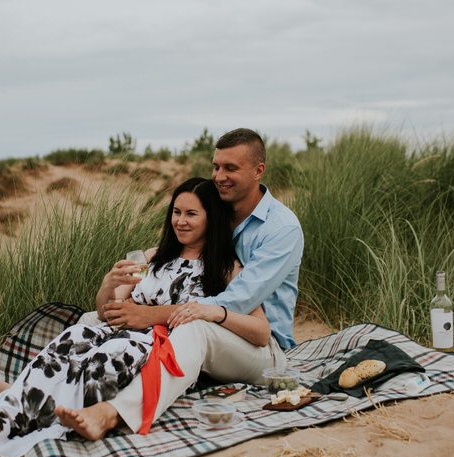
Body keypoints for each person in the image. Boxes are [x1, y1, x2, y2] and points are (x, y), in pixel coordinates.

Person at [0, 178, 271, 457]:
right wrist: (108, 283)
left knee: (107, 357)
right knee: (71, 340)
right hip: (117, 331)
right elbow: (107, 310)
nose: (180, 221)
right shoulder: (154, 256)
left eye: (191, 214)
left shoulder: (226, 269)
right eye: (176, 212)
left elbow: (260, 330)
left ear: (211, 218)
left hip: (155, 348)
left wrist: (207, 312)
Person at [56, 128, 303, 440]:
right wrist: (123, 290)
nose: (219, 176)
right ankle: (43, 394)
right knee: (92, 321)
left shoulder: (281, 229)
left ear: (258, 171)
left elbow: (238, 300)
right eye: (216, 166)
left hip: (260, 346)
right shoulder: (215, 211)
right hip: (201, 330)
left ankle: (112, 414)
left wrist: (150, 315)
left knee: (193, 328)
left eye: (230, 168)